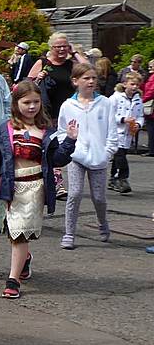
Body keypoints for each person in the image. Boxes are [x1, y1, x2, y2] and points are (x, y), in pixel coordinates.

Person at [0, 81, 77, 298]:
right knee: (13, 229)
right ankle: (25, 259)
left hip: (34, 187)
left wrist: (70, 141)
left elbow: (57, 160)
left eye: (36, 102)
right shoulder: (5, 129)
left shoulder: (46, 131)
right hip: (10, 186)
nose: (32, 106)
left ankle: (13, 280)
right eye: (26, 102)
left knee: (20, 234)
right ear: (16, 104)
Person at [57, 63, 118, 250]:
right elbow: (61, 131)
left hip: (99, 159)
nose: (91, 81)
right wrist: (69, 148)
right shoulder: (68, 105)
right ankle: (69, 233)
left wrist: (107, 153)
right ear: (75, 81)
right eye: (86, 78)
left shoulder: (105, 103)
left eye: (94, 78)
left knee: (98, 197)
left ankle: (103, 223)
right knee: (74, 194)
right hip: (77, 158)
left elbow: (112, 132)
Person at [110, 73, 143, 193]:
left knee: (120, 155)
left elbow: (140, 116)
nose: (134, 87)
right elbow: (108, 115)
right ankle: (123, 177)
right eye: (132, 84)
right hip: (116, 132)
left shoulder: (138, 100)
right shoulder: (115, 98)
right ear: (124, 84)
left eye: (137, 84)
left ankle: (113, 178)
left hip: (128, 134)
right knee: (120, 156)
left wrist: (138, 124)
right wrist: (123, 119)